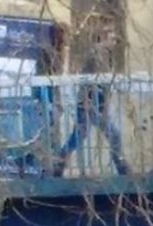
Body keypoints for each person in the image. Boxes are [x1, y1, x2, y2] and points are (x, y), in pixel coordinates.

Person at [54, 22, 129, 177]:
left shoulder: (103, 55)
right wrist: (89, 103)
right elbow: (89, 81)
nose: (114, 40)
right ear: (103, 36)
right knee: (112, 135)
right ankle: (122, 168)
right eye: (111, 35)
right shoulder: (96, 55)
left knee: (78, 137)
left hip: (96, 105)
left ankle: (58, 164)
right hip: (91, 105)